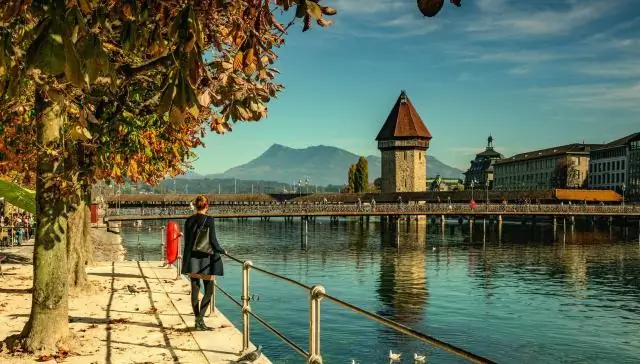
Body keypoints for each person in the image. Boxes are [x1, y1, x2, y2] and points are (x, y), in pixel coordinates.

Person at [181, 195, 227, 331]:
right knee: (209, 290)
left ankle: (197, 320)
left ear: (195, 205)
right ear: (207, 206)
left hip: (192, 258)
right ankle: (200, 319)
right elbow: (213, 240)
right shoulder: (209, 219)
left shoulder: (188, 220)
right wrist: (222, 250)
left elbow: (188, 241)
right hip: (206, 258)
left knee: (195, 291)